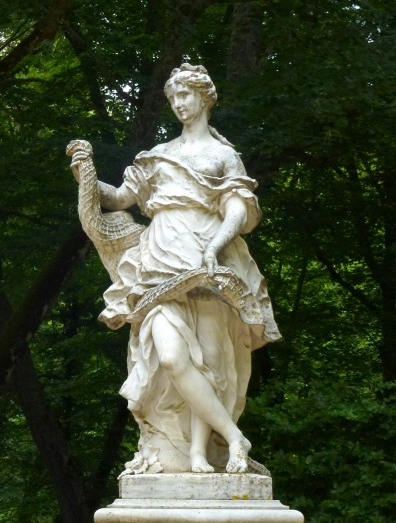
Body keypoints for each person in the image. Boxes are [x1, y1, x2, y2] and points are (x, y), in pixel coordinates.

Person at [68, 63, 280, 475]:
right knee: (170, 356)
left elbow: (237, 207)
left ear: (205, 97)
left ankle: (198, 454)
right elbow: (120, 198)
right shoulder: (159, 156)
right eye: (173, 98)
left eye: (185, 95)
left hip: (208, 260)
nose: (179, 104)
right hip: (159, 261)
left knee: (212, 361)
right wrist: (87, 173)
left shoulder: (223, 156)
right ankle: (236, 438)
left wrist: (216, 247)